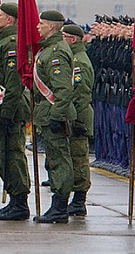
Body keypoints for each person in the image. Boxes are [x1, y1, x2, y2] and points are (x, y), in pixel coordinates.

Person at [0, 3, 31, 221]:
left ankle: (20, 202)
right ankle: (14, 198)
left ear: (10, 20)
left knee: (13, 156)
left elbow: (14, 84)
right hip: (3, 108)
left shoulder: (11, 44)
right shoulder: (2, 42)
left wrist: (6, 112)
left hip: (11, 110)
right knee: (3, 156)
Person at [33, 10, 76, 224]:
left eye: (41, 23)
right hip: (47, 113)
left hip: (54, 114)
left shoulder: (57, 52)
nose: (37, 27)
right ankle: (58, 206)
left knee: (60, 161)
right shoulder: (49, 49)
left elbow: (64, 90)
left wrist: (57, 116)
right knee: (55, 160)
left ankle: (60, 207)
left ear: (51, 26)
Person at [61, 23, 94, 217]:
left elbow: (80, 94)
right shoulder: (72, 57)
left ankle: (79, 200)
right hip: (73, 115)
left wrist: (79, 121)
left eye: (64, 36)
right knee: (72, 158)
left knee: (79, 158)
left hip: (79, 116)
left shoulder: (79, 61)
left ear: (73, 39)